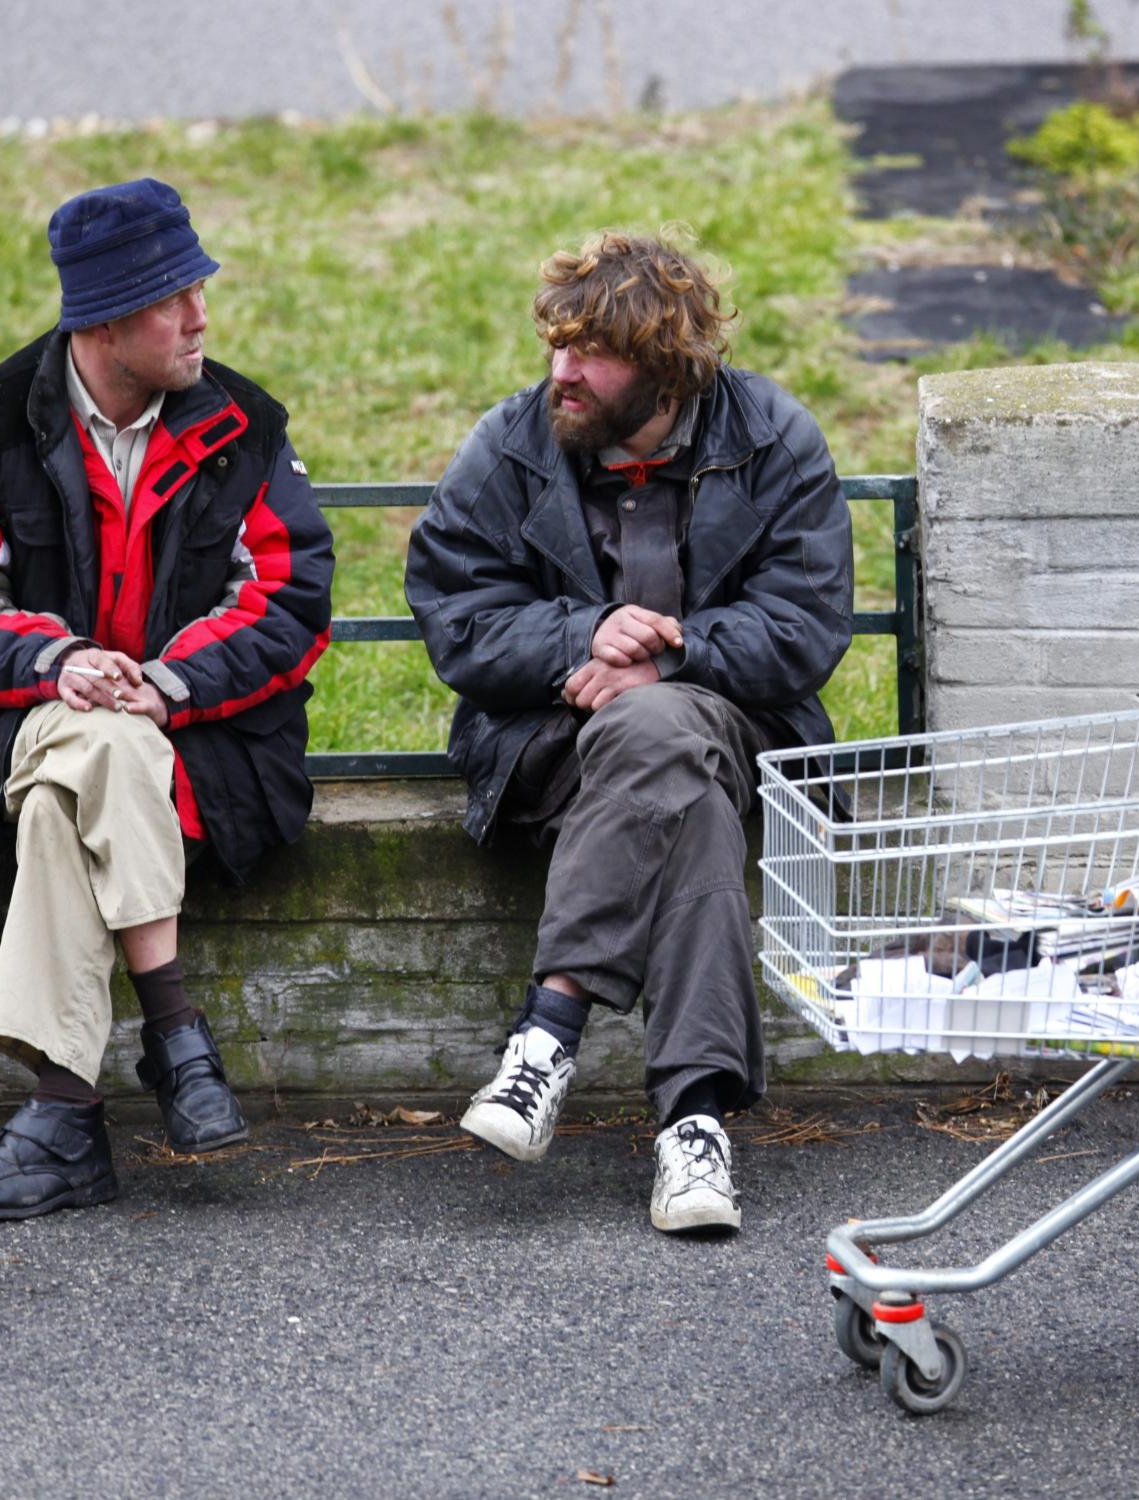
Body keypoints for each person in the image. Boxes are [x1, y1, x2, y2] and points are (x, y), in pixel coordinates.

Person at [0, 179, 334, 1219]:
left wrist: (164, 684)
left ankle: (64, 1118)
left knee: (71, 792)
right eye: (175, 295)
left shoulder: (243, 423)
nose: (201, 317)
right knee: (92, 740)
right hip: (13, 724)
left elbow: (291, 598)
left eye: (197, 291)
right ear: (106, 319)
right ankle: (175, 1037)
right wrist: (59, 665)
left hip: (210, 745)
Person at [404, 231, 852, 1233]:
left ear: (663, 366)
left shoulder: (773, 438)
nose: (562, 371)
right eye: (557, 346)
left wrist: (674, 654)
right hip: (551, 744)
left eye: (590, 354)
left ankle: (548, 1034)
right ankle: (695, 1124)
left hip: (735, 728)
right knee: (678, 793)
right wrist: (583, 632)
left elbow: (806, 627)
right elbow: (455, 612)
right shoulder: (513, 444)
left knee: (664, 733)